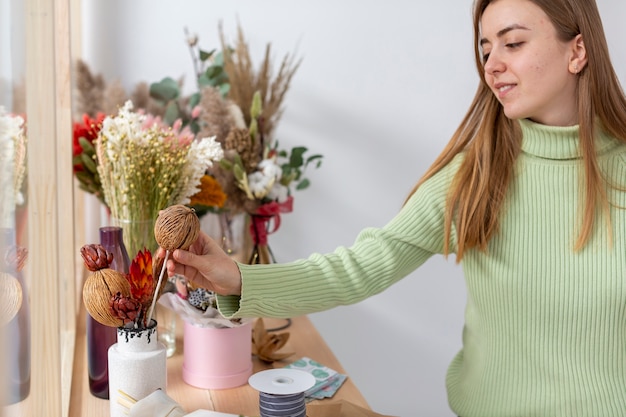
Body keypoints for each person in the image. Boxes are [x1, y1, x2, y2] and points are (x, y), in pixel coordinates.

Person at [161, 0, 626, 415]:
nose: (492, 65)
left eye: (513, 43)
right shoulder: (477, 175)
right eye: (486, 50)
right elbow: (360, 268)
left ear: (577, 51)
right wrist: (238, 278)